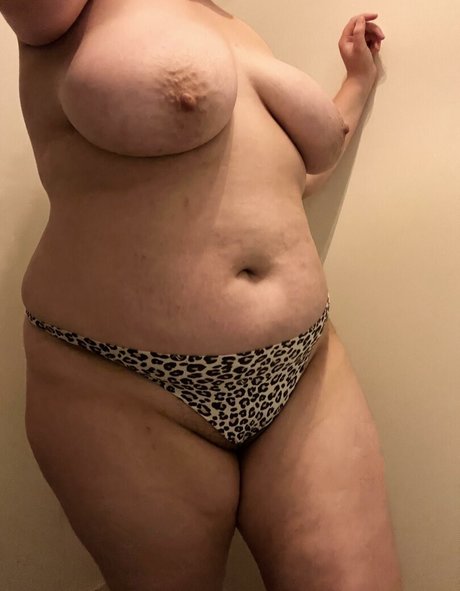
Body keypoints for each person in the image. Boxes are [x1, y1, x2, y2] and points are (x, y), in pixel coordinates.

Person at [1, 1, 402, 589]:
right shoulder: (70, 15)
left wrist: (357, 82)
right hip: (122, 384)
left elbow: (287, 176)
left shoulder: (237, 27)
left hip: (301, 369)